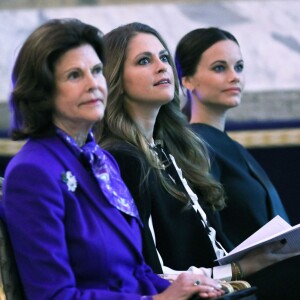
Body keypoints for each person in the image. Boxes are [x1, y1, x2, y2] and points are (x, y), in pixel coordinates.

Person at [1, 18, 224, 300]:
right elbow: (53, 296)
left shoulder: (103, 160)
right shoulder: (32, 171)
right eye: (74, 75)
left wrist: (187, 288)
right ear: (42, 91)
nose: (94, 84)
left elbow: (137, 272)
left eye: (96, 71)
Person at [98, 22, 300, 300]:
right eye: (144, 61)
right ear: (115, 78)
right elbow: (148, 272)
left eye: (164, 58)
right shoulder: (123, 156)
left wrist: (246, 264)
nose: (161, 67)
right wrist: (240, 269)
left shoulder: (164, 148)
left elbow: (210, 249)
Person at [174, 27, 290, 246]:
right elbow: (208, 235)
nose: (234, 77)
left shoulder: (228, 145)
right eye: (219, 68)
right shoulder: (195, 146)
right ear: (187, 80)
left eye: (239, 67)